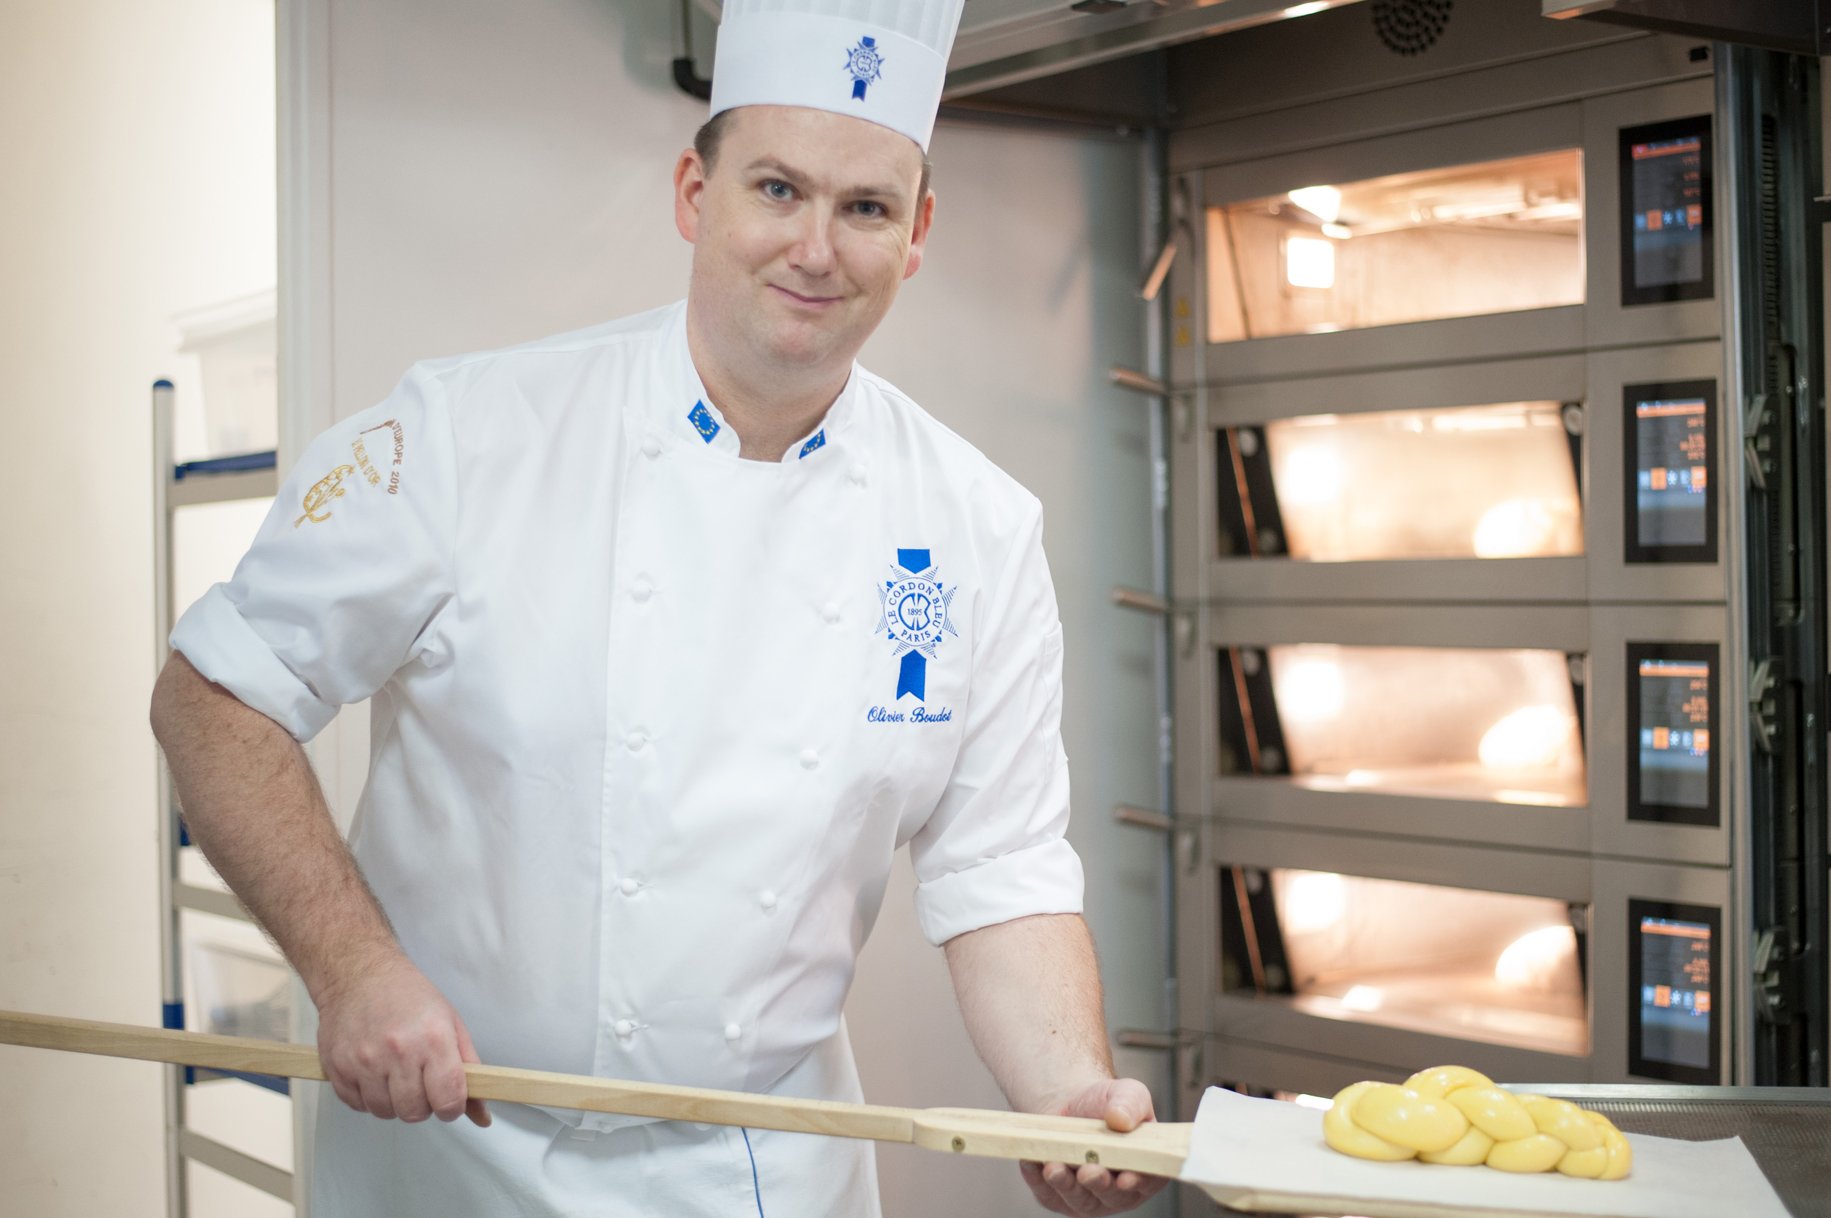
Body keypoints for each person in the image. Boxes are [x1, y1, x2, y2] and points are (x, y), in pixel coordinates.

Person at [149, 2, 1166, 1214]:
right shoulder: (471, 438)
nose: (816, 249)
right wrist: (352, 971)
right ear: (696, 193)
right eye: (777, 189)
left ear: (919, 231)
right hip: (450, 1147)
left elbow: (999, 866)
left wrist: (1066, 1097)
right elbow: (214, 698)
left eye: (866, 208)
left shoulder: (978, 528)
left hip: (767, 1163)